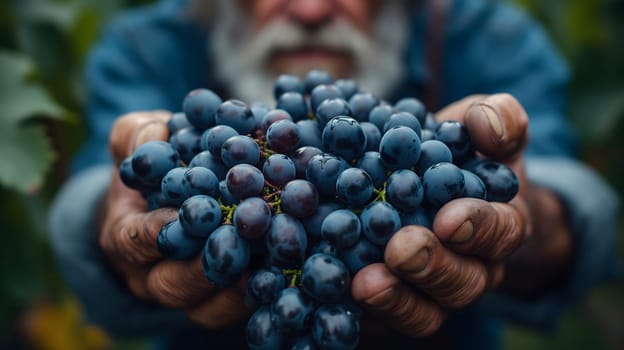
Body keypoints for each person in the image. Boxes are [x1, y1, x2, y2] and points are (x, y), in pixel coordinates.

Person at [49, 0, 620, 348]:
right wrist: (109, 218)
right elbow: (95, 190)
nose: (311, 9)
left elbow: (559, 184)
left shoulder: (490, 35)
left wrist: (532, 227)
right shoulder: (145, 46)